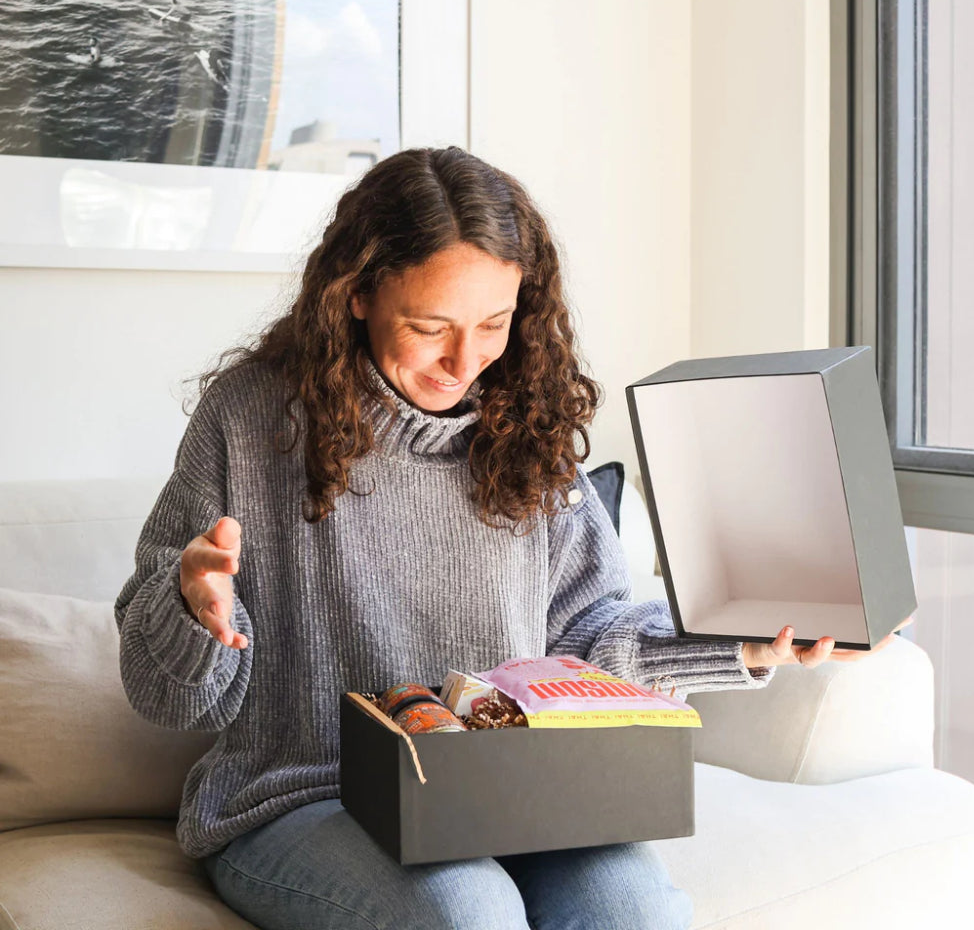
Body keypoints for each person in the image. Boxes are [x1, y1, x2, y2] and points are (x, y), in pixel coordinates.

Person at [115, 146, 908, 930]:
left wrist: (743, 642)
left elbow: (584, 642)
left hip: (513, 794)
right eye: (430, 327)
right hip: (301, 795)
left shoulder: (524, 429)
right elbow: (167, 698)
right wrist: (194, 608)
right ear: (356, 295)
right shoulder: (251, 419)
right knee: (470, 911)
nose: (466, 361)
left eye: (493, 323)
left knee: (632, 909)